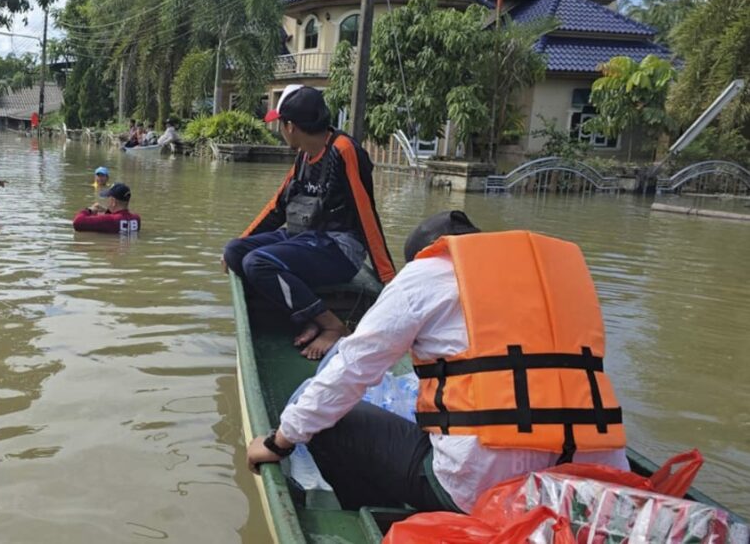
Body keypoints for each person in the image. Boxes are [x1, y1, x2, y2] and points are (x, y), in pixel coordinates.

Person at [246, 211, 629, 515]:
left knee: (331, 424)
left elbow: (351, 368)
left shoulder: (426, 272)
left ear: (430, 252)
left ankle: (379, 514)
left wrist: (280, 441)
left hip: (480, 493)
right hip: (590, 486)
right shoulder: (555, 280)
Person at [222, 85, 396, 359]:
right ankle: (308, 316)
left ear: (290, 126)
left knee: (257, 263)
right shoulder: (303, 155)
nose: (279, 130)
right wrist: (242, 240)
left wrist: (388, 279)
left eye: (280, 124)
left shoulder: (343, 150)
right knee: (235, 251)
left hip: (339, 248)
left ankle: (332, 326)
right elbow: (277, 207)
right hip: (303, 238)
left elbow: (366, 214)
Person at [73, 183, 141, 234]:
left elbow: (77, 222)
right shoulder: (136, 219)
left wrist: (90, 210)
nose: (107, 201)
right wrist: (107, 211)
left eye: (108, 198)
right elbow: (120, 220)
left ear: (113, 201)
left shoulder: (108, 220)